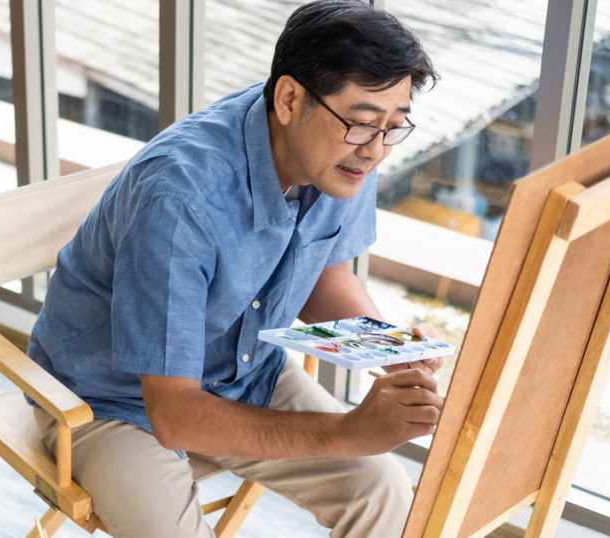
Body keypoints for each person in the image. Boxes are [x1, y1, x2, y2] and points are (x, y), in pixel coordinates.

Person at [27, 1, 444, 536]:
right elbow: (174, 413)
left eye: (394, 126)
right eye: (364, 124)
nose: (377, 150)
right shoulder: (180, 197)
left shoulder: (340, 151)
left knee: (385, 492)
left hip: (247, 372)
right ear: (289, 99)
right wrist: (347, 432)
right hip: (107, 403)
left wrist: (390, 350)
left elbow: (326, 273)